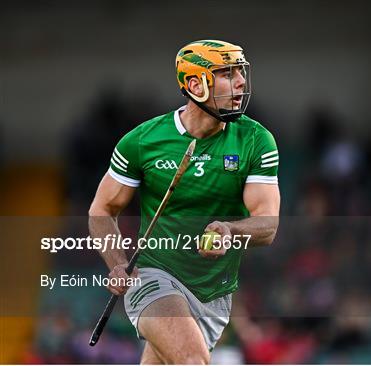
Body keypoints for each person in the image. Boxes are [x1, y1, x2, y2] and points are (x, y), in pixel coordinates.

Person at [88, 39, 280, 364]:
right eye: (227, 73)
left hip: (215, 292)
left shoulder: (255, 140)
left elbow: (268, 223)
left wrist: (231, 230)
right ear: (195, 84)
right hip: (154, 276)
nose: (241, 81)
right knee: (192, 360)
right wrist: (117, 262)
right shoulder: (143, 141)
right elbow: (102, 210)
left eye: (240, 73)